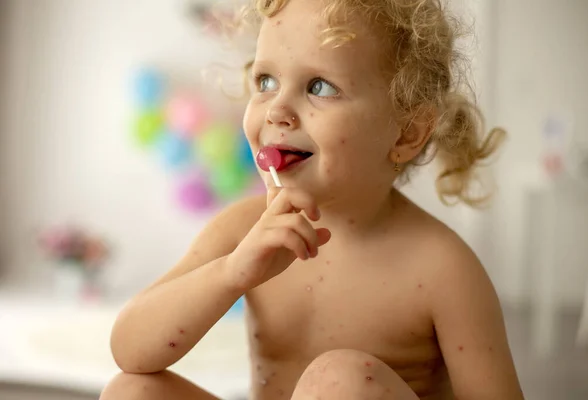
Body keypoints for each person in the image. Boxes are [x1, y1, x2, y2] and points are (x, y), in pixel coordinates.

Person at [101, 0, 524, 398]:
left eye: (320, 86)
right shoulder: (241, 229)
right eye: (265, 81)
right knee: (130, 391)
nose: (277, 109)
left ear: (407, 132)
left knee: (339, 379)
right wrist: (232, 273)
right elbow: (129, 350)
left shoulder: (442, 268)